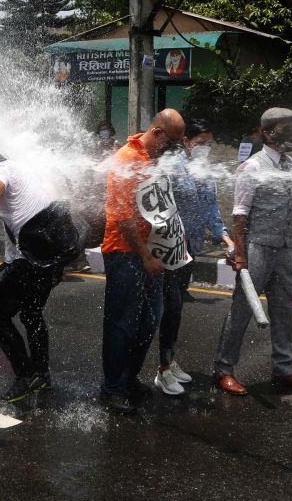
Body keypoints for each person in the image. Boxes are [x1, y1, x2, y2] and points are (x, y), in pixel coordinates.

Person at [215, 107, 292, 397]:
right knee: (242, 309)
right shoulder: (252, 167)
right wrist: (241, 255)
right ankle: (223, 369)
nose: (291, 134)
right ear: (267, 133)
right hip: (257, 248)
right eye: (285, 129)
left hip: (284, 248)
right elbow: (240, 215)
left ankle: (284, 369)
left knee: (284, 309)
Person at [0, 153, 72, 404]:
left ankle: (25, 375)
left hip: (30, 260)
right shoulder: (29, 170)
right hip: (51, 257)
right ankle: (41, 374)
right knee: (32, 313)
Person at [100, 108, 187, 414]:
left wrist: (175, 237)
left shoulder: (153, 159)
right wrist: (146, 256)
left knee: (150, 319)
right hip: (126, 253)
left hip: (152, 252)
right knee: (122, 323)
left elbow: (162, 204)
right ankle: (112, 388)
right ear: (158, 133)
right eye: (172, 140)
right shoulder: (126, 159)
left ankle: (128, 379)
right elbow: (123, 218)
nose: (174, 147)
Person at [155, 119, 235, 396]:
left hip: (189, 251)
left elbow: (211, 209)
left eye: (209, 144)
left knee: (175, 311)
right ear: (187, 141)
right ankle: (163, 370)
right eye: (201, 143)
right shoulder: (171, 167)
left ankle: (169, 361)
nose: (206, 149)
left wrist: (226, 238)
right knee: (169, 308)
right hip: (169, 249)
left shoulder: (204, 171)